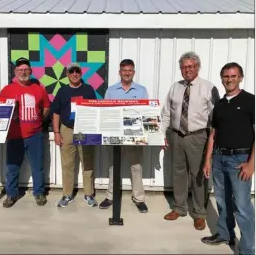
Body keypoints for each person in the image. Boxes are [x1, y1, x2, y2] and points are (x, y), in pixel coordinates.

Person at [161, 51, 220, 230]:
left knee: (198, 175)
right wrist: (162, 134)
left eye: (191, 66)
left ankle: (199, 213)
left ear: (198, 67)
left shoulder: (209, 87)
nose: (188, 70)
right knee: (178, 173)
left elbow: (216, 116)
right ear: (180, 69)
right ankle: (179, 208)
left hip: (198, 137)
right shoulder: (175, 87)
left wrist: (213, 139)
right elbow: (166, 113)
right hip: (177, 135)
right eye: (184, 67)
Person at [201, 62, 255, 255]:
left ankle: (248, 249)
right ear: (222, 78)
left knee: (242, 206)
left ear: (240, 77)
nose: (229, 79)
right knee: (222, 201)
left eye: (233, 76)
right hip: (219, 158)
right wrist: (208, 160)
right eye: (226, 76)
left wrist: (251, 164)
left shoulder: (251, 101)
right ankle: (225, 234)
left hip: (240, 160)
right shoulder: (220, 105)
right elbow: (213, 134)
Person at [0, 57, 50, 208]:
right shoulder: (7, 89)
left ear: (31, 71)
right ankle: (11, 194)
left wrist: (39, 119)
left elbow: (46, 107)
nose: (23, 72)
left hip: (35, 135)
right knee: (12, 167)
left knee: (37, 166)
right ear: (15, 72)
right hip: (15, 136)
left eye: (26, 69)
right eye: (20, 69)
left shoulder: (39, 88)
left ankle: (39, 193)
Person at [99, 59, 149, 213]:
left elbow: (146, 112)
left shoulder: (141, 90)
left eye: (130, 70)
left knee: (136, 167)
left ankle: (139, 199)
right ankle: (110, 196)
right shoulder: (111, 90)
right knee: (113, 167)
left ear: (133, 72)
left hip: (134, 136)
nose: (127, 73)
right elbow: (106, 112)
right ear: (119, 72)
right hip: (115, 135)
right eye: (124, 70)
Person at [51, 63, 98, 208]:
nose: (75, 74)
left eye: (77, 71)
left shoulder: (89, 89)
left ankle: (89, 194)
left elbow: (95, 110)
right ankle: (67, 195)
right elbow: (56, 113)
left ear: (81, 73)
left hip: (84, 130)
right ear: (67, 74)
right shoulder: (62, 90)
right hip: (67, 129)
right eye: (72, 71)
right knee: (67, 164)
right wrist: (57, 133)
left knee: (87, 162)